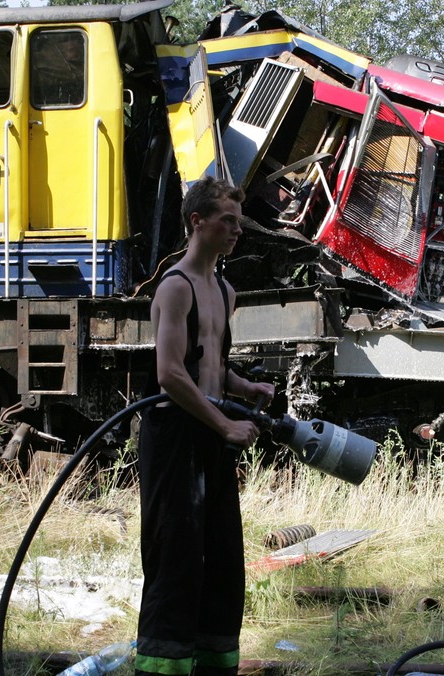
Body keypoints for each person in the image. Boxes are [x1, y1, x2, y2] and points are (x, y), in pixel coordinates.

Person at [135, 176, 274, 676]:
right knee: (175, 560)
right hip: (176, 438)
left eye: (239, 222)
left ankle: (214, 666)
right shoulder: (175, 287)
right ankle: (160, 669)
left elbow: (209, 363)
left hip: (212, 433)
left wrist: (243, 388)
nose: (237, 230)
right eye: (228, 221)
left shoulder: (224, 289)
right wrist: (226, 425)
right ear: (198, 222)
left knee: (220, 560)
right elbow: (170, 374)